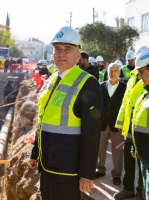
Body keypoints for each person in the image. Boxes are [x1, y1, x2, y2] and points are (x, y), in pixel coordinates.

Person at [28, 26, 102, 200]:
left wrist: (87, 173)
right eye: (57, 49)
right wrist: (35, 153)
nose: (61, 54)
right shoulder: (52, 80)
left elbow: (92, 133)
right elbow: (43, 119)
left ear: (78, 55)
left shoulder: (87, 84)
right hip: (46, 165)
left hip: (68, 171)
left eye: (67, 49)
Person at [114, 60, 145, 198]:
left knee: (142, 161)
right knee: (129, 160)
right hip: (130, 129)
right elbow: (125, 103)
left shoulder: (145, 78)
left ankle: (141, 190)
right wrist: (119, 123)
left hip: (143, 129)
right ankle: (128, 188)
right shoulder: (133, 78)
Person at [95, 62, 126, 186]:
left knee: (117, 151)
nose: (112, 73)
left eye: (115, 71)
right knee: (100, 148)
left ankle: (117, 174)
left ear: (119, 72)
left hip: (117, 126)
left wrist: (124, 124)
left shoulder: (125, 88)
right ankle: (100, 169)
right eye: (110, 71)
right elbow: (94, 105)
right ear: (107, 72)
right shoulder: (100, 86)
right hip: (102, 124)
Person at [131, 49, 149, 200]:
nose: (139, 76)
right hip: (143, 156)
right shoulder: (144, 95)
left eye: (142, 72)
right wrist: (134, 146)